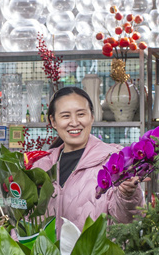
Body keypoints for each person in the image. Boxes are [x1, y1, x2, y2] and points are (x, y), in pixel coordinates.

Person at [30, 86, 144, 232]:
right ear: (53, 121)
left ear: (92, 116)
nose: (74, 122)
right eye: (65, 116)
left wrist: (127, 195)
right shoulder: (41, 165)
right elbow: (27, 221)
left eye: (81, 114)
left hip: (96, 254)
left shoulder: (114, 162)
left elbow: (128, 222)